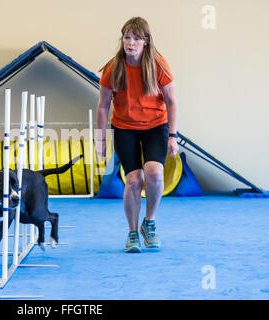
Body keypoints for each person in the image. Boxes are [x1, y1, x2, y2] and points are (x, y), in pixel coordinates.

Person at [95, 17, 179, 253]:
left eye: (136, 38)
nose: (130, 43)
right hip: (125, 128)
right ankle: (132, 232)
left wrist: (173, 136)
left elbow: (172, 101)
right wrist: (100, 139)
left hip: (155, 127)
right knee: (133, 180)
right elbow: (103, 105)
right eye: (126, 37)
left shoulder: (158, 65)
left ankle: (148, 223)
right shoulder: (113, 68)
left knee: (154, 173)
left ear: (146, 41)